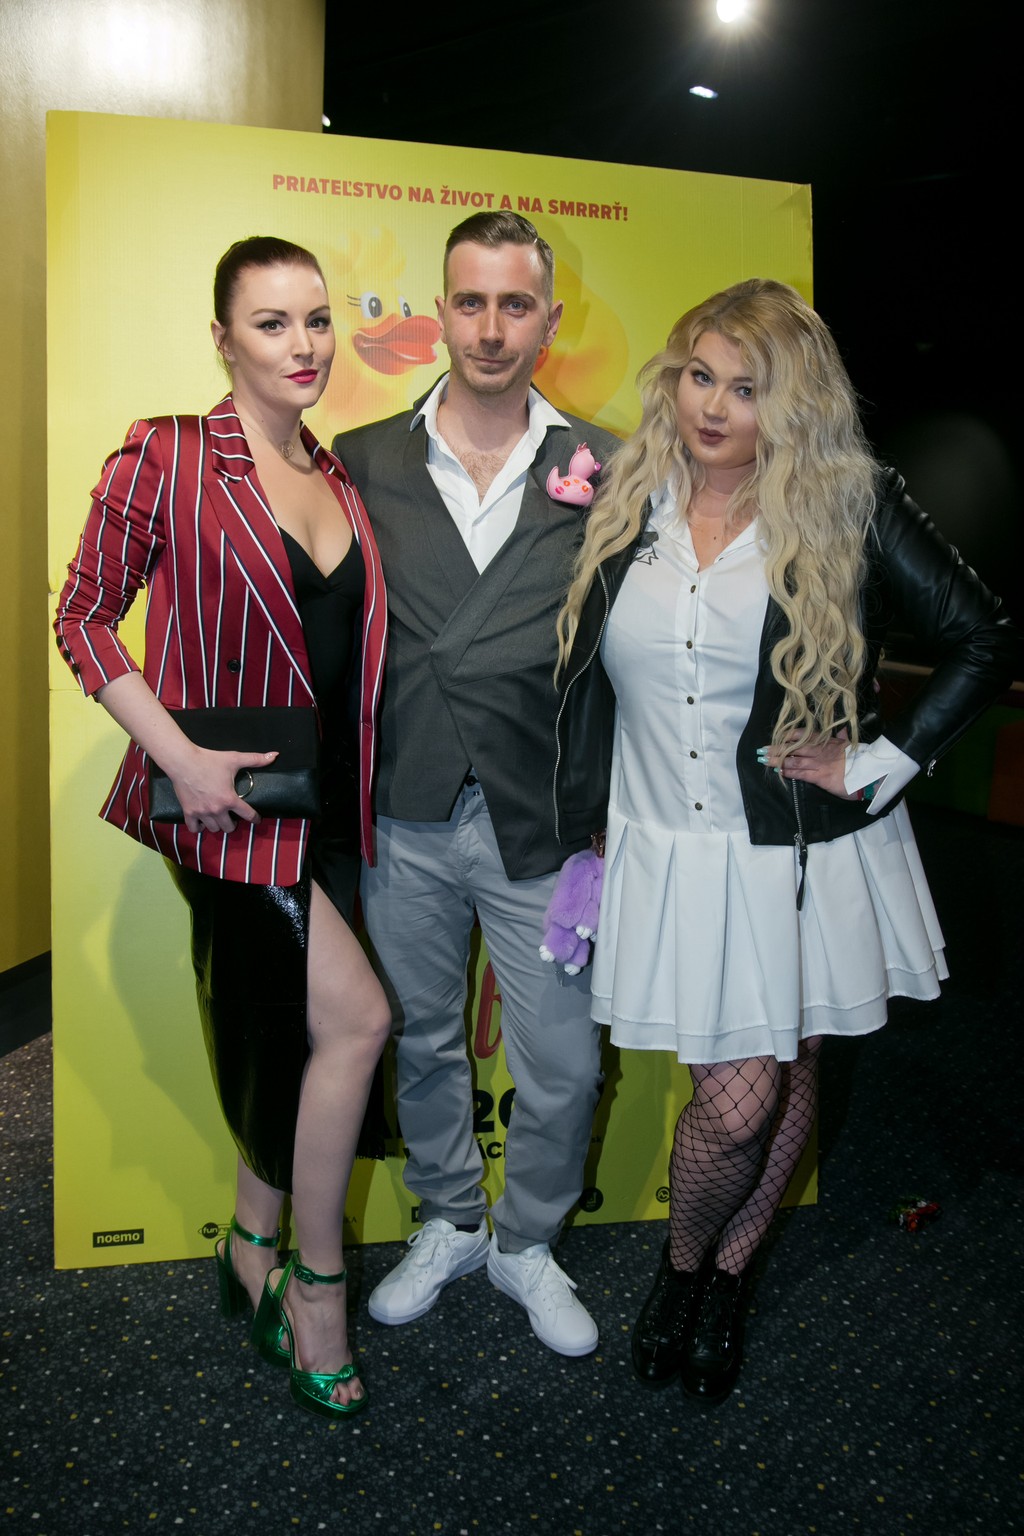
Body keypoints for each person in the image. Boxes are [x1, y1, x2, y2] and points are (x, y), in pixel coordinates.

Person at [554, 277, 1017, 1402]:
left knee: (787, 1064)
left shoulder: (846, 500)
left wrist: (881, 763)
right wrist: (579, 825)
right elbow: (586, 685)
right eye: (699, 376)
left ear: (792, 402)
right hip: (669, 848)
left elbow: (981, 636)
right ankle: (690, 1268)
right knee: (743, 1099)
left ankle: (715, 1275)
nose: (713, 406)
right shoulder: (629, 492)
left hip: (796, 851)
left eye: (746, 388)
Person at [54, 236, 392, 1421]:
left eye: (316, 319)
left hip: (329, 810)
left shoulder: (336, 473)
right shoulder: (172, 453)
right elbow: (83, 616)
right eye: (271, 323)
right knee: (357, 1021)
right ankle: (317, 1294)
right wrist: (178, 757)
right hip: (232, 811)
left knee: (286, 1041)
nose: (304, 345)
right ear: (222, 338)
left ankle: (250, 1246)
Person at [333, 212, 620, 1356]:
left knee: (563, 1062)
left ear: (550, 319)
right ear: (439, 312)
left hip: (544, 824)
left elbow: (640, 649)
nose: (491, 329)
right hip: (403, 811)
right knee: (420, 1038)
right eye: (470, 302)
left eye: (514, 304)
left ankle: (527, 1242)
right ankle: (451, 1219)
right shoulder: (360, 461)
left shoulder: (611, 464)